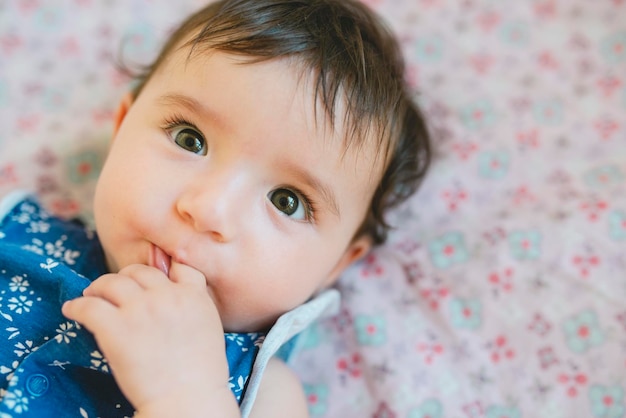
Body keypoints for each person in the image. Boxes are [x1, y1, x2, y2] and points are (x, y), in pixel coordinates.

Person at [0, 0, 430, 416]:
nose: (208, 211)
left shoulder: (264, 393)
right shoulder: (17, 235)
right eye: (190, 139)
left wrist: (186, 394)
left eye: (287, 201)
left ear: (338, 262)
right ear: (121, 130)